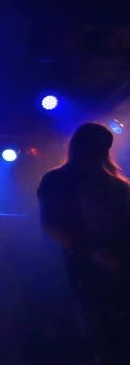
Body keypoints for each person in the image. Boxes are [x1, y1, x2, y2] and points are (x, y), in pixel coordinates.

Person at [37, 122, 130, 364]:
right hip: (82, 271)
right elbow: (52, 225)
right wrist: (92, 252)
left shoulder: (117, 185)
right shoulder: (60, 180)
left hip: (110, 269)